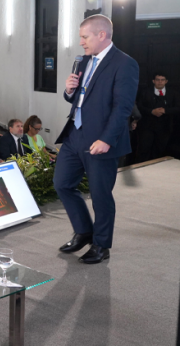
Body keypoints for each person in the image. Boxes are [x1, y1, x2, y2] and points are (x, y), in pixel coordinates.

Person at [55, 15, 139, 264]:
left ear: (102, 35)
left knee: (100, 195)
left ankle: (102, 245)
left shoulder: (125, 64)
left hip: (101, 141)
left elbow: (122, 108)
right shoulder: (82, 62)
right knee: (62, 184)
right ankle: (84, 232)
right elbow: (79, 97)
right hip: (74, 134)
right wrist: (68, 92)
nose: (80, 42)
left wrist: (106, 139)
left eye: (84, 36)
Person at [135, 72, 178, 162]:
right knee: (144, 149)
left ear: (166, 81)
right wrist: (151, 111)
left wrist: (165, 111)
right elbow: (139, 106)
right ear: (153, 81)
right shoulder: (145, 92)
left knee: (160, 149)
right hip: (147, 126)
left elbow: (178, 107)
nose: (160, 82)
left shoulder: (173, 93)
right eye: (157, 80)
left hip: (165, 126)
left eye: (162, 80)